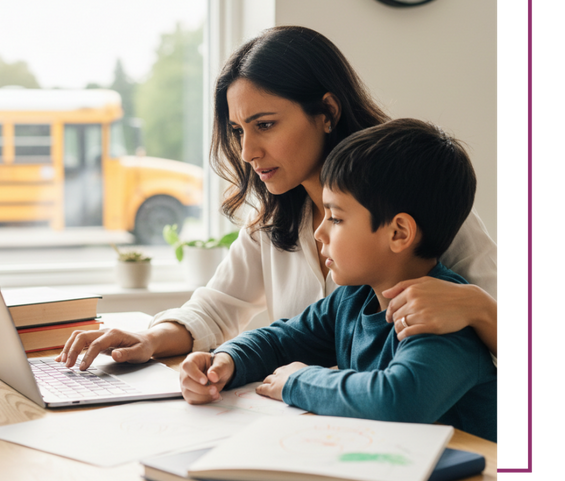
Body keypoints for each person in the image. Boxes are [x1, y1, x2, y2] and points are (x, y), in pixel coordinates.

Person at [56, 26, 499, 371]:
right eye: (237, 131)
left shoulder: (418, 202)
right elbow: (216, 307)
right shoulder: (274, 223)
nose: (248, 151)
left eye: (264, 124)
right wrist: (152, 338)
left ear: (327, 112)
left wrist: (478, 309)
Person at [179, 119, 499, 443]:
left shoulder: (443, 318)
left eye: (336, 218)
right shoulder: (353, 298)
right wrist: (227, 360)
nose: (320, 232)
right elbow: (281, 340)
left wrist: (299, 380)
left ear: (399, 233)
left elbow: (395, 401)